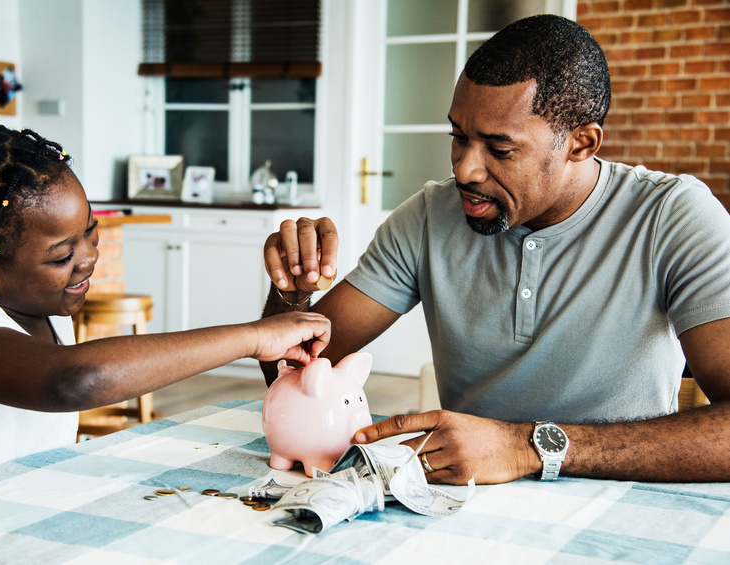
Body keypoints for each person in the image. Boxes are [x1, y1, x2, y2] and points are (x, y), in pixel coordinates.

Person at [261, 14, 730, 485]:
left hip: (622, 502)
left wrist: (526, 447)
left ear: (581, 144)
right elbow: (291, 374)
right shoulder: (428, 216)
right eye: (459, 137)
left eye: (499, 150)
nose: (465, 170)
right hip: (463, 504)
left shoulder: (673, 216)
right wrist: (292, 293)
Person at [0, 117, 331, 501]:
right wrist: (252, 337)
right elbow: (74, 380)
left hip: (10, 510)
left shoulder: (41, 303)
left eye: (90, 231)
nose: (89, 256)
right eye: (61, 256)